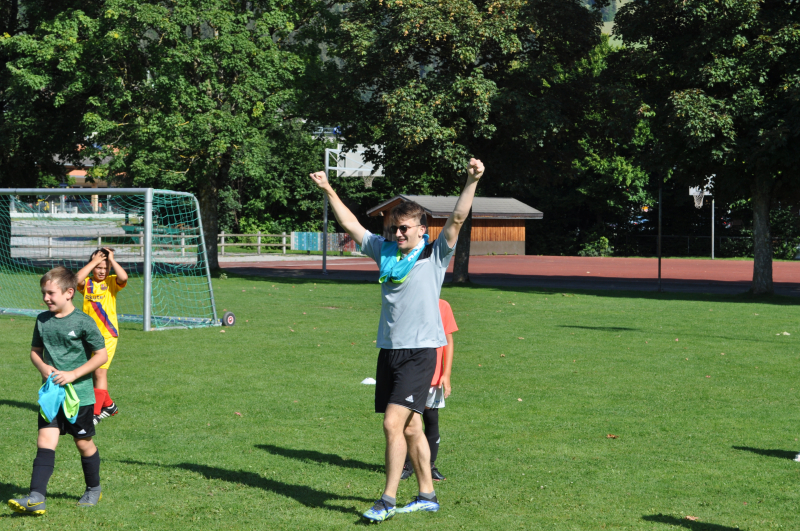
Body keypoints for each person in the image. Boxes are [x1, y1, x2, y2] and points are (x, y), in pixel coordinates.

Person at [308, 158, 484, 522]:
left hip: (420, 353)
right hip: (389, 352)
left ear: (421, 229)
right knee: (412, 426)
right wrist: (328, 189)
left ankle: (387, 500)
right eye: (394, 228)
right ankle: (427, 495)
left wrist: (471, 180)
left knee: (392, 424)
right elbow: (351, 224)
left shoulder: (434, 254)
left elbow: (457, 219)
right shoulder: (384, 251)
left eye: (404, 228)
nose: (398, 234)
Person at [7, 266, 108, 515]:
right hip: (52, 395)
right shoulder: (42, 320)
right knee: (45, 442)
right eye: (44, 293)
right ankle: (36, 497)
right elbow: (35, 352)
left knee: (83, 443)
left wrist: (73, 374)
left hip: (80, 397)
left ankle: (93, 488)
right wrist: (43, 367)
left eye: (51, 293)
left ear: (69, 293)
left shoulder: (83, 322)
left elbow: (101, 355)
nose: (46, 298)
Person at [401, 298, 458, 482]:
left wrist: (446, 373)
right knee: (408, 420)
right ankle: (407, 464)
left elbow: (448, 341)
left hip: (434, 376)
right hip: (411, 374)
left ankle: (430, 465)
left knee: (431, 419)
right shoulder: (410, 301)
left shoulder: (443, 306)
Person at [76, 247, 128, 425]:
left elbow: (124, 278)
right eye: (98, 267)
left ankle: (95, 413)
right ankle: (109, 406)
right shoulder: (86, 283)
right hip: (88, 335)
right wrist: (93, 262)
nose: (102, 271)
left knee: (99, 372)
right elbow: (75, 280)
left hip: (107, 335)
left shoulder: (112, 282)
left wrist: (111, 260)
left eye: (105, 268)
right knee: (91, 372)